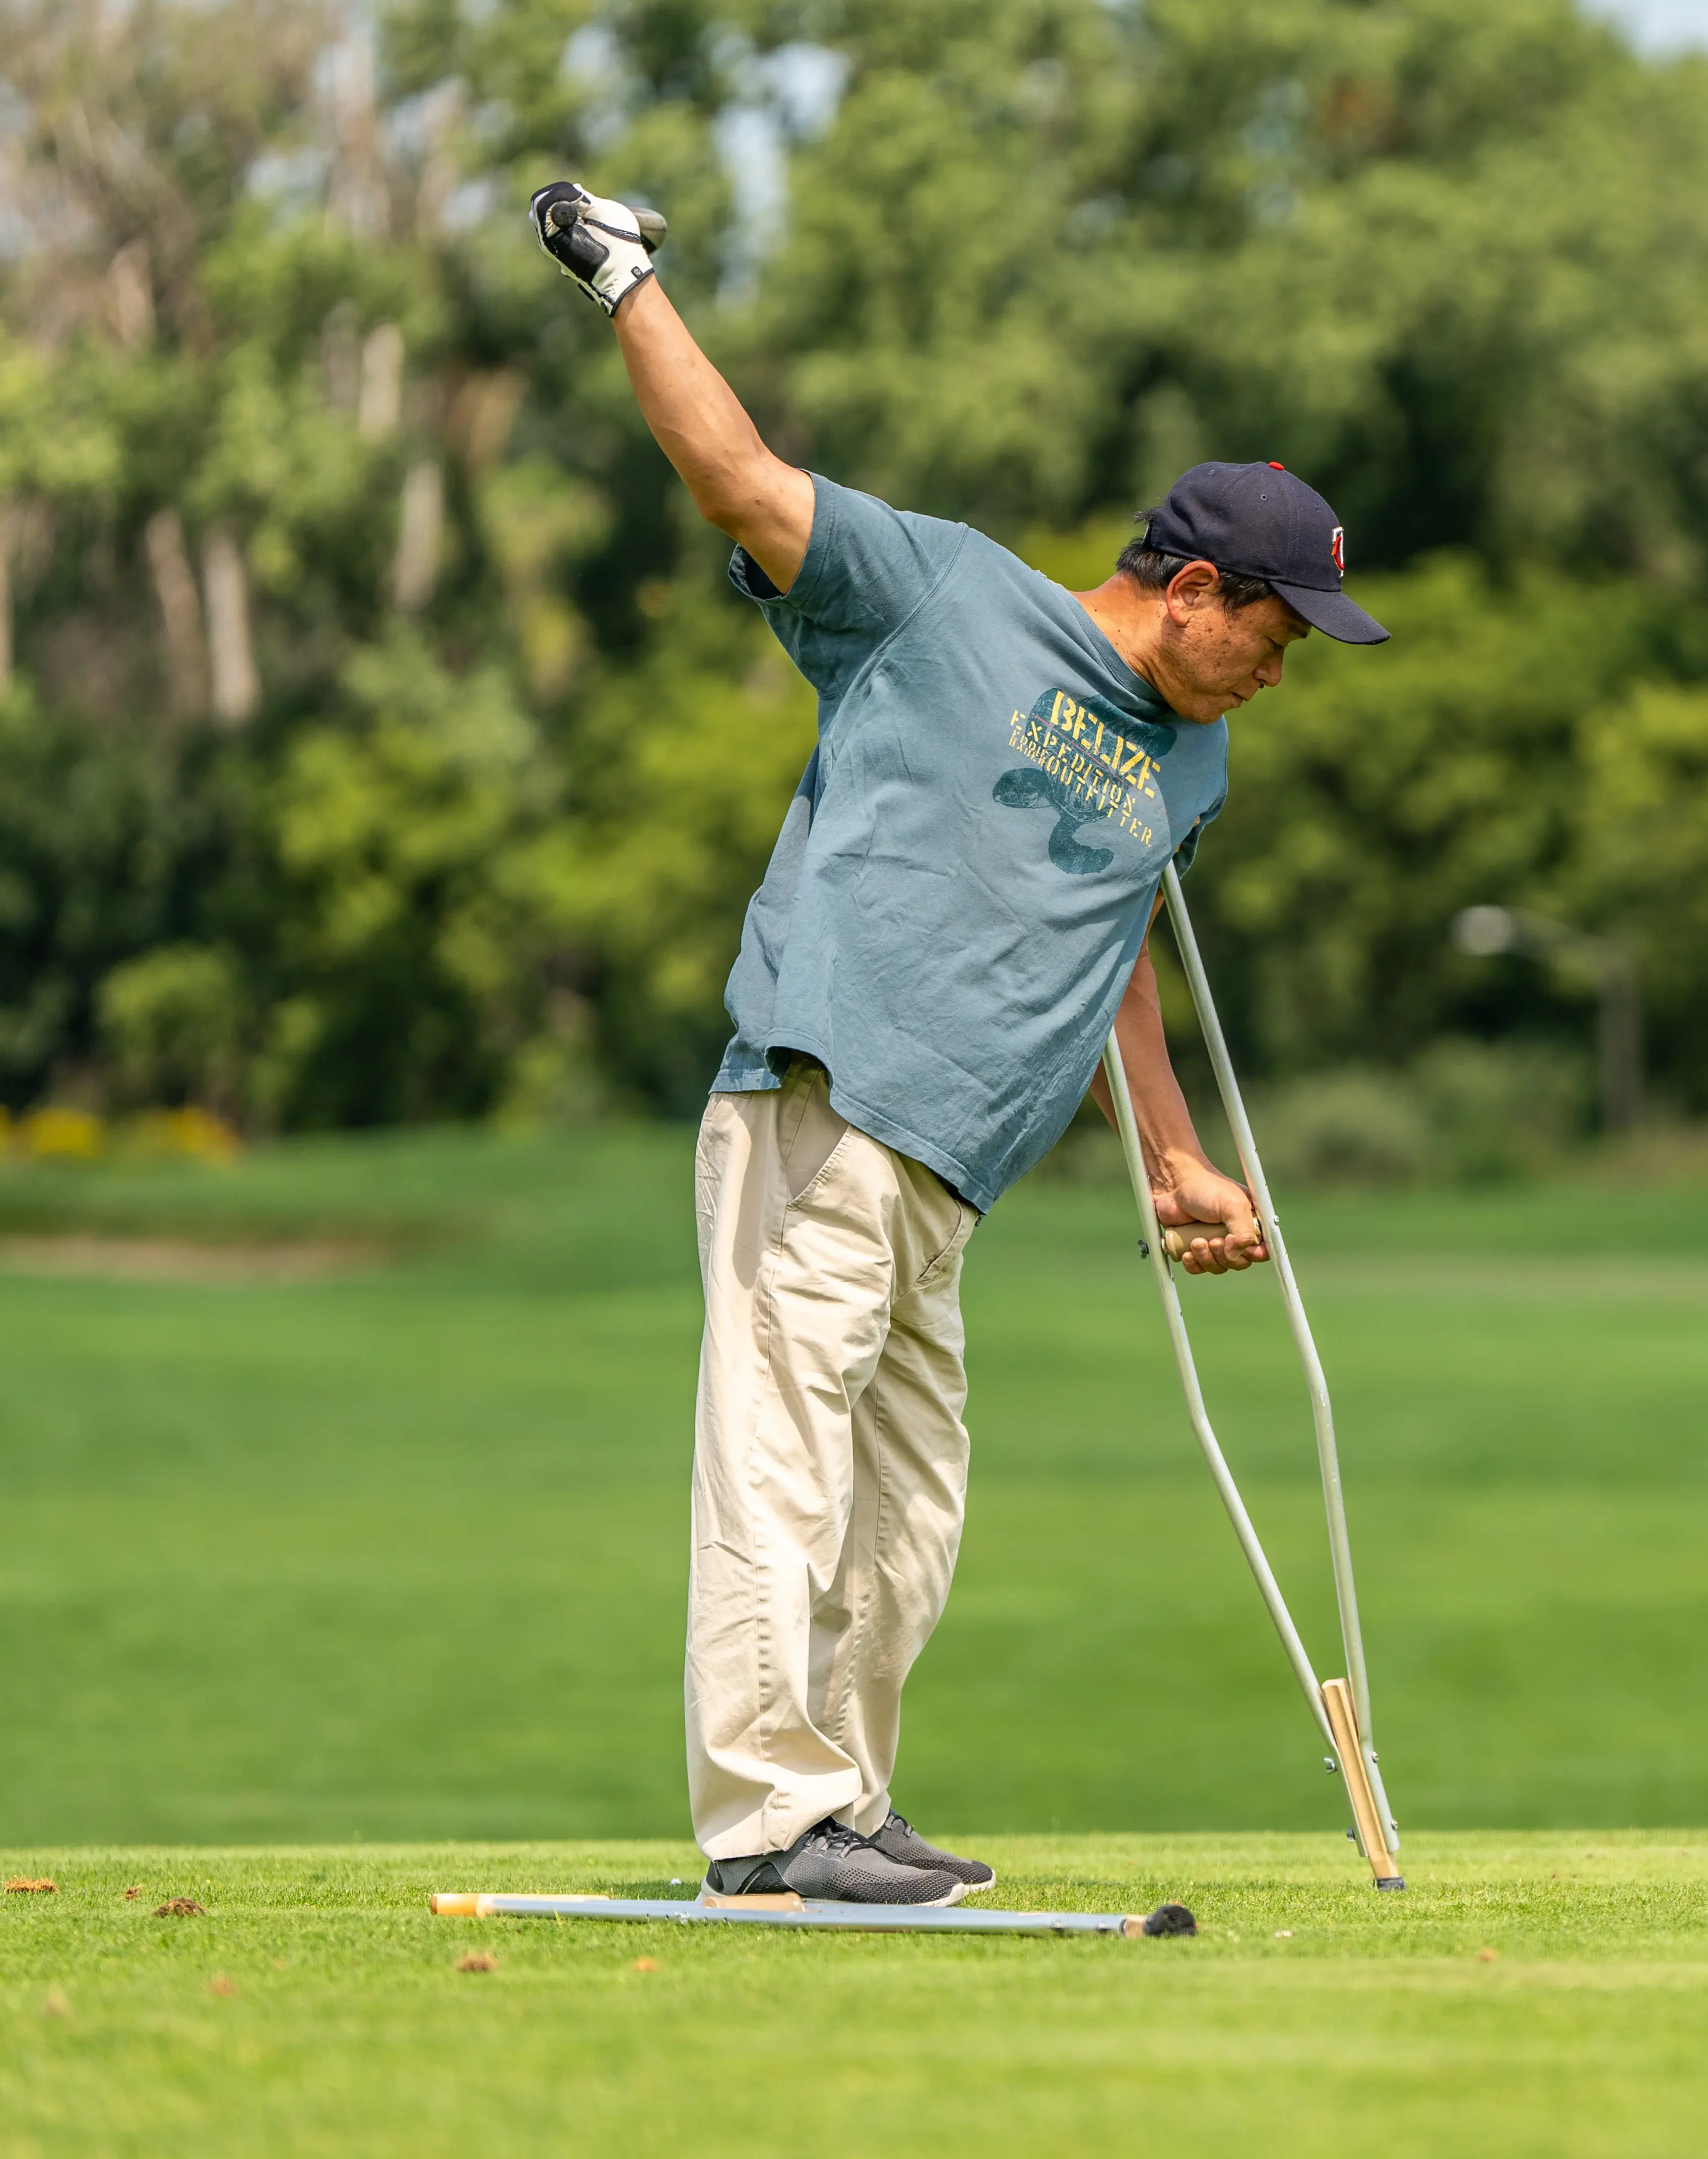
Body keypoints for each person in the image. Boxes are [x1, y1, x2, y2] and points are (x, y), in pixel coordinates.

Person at [529, 181, 1389, 1906]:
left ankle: (843, 1806)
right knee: (781, 1467)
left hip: (953, 1175)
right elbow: (741, 480)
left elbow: (1114, 949)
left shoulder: (1193, 759)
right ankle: (768, 1827)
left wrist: (1173, 1156)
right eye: (1277, 634)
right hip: (829, 1104)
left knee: (908, 1519)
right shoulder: (941, 593)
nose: (1281, 673)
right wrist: (624, 281)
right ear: (1196, 587)